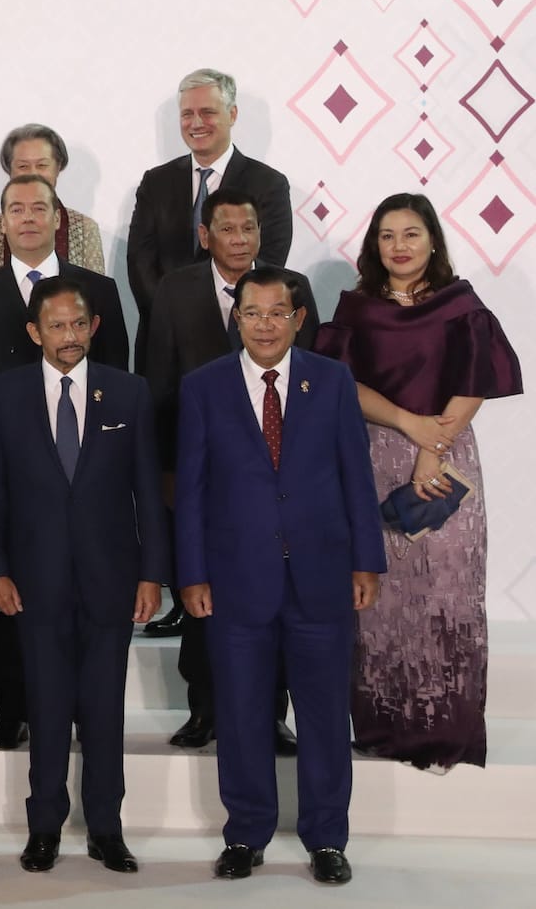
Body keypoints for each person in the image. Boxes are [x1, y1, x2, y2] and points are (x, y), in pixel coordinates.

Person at [178, 267, 386, 887]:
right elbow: (189, 490)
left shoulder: (332, 381)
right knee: (241, 712)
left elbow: (356, 474)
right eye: (252, 312)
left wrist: (366, 559)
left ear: (299, 319)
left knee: (324, 713)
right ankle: (245, 832)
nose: (264, 324)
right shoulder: (203, 387)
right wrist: (190, 573)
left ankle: (327, 837)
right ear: (235, 318)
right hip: (236, 578)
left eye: (277, 312)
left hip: (323, 574)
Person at [316, 194, 522, 772]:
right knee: (382, 601)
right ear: (373, 245)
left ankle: (447, 734)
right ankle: (385, 730)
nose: (399, 246)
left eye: (411, 233)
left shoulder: (462, 304)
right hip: (376, 455)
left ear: (433, 239)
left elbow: (475, 380)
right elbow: (341, 384)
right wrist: (409, 425)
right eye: (386, 235)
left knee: (447, 597)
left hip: (449, 459)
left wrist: (433, 447)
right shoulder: (355, 307)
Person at [0, 277, 169, 875]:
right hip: (33, 583)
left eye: (78, 324)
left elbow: (147, 496)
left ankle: (107, 827)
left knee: (105, 710)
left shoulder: (128, 393)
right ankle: (44, 828)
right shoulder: (3, 396)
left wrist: (153, 575)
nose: (69, 336)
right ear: (34, 333)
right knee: (48, 707)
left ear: (94, 327)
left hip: (111, 580)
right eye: (55, 326)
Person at [0, 175, 128, 750]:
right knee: (10, 598)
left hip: (87, 473)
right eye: (14, 209)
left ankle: (80, 711)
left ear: (60, 219)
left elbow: (120, 377)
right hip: (8, 473)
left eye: (39, 208)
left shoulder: (97, 290)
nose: (27, 218)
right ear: (0, 223)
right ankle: (13, 710)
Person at [144, 187, 317, 749]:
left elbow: (306, 386)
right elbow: (158, 380)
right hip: (198, 473)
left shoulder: (289, 290)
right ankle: (204, 710)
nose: (240, 239)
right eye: (228, 229)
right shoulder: (175, 289)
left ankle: (270, 713)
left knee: (276, 597)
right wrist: (166, 469)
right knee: (202, 597)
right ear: (205, 236)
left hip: (274, 478)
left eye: (249, 228)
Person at [127, 68, 293, 365]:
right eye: (187, 114)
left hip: (238, 341)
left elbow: (268, 260)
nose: (196, 123)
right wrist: (173, 316)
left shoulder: (268, 184)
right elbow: (140, 262)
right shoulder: (156, 182)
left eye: (207, 112)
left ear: (232, 114)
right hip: (167, 346)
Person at [0, 124, 107, 279]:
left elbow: (97, 293)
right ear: (9, 170)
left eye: (42, 165)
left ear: (58, 167)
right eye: (23, 166)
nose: (33, 174)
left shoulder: (85, 228)